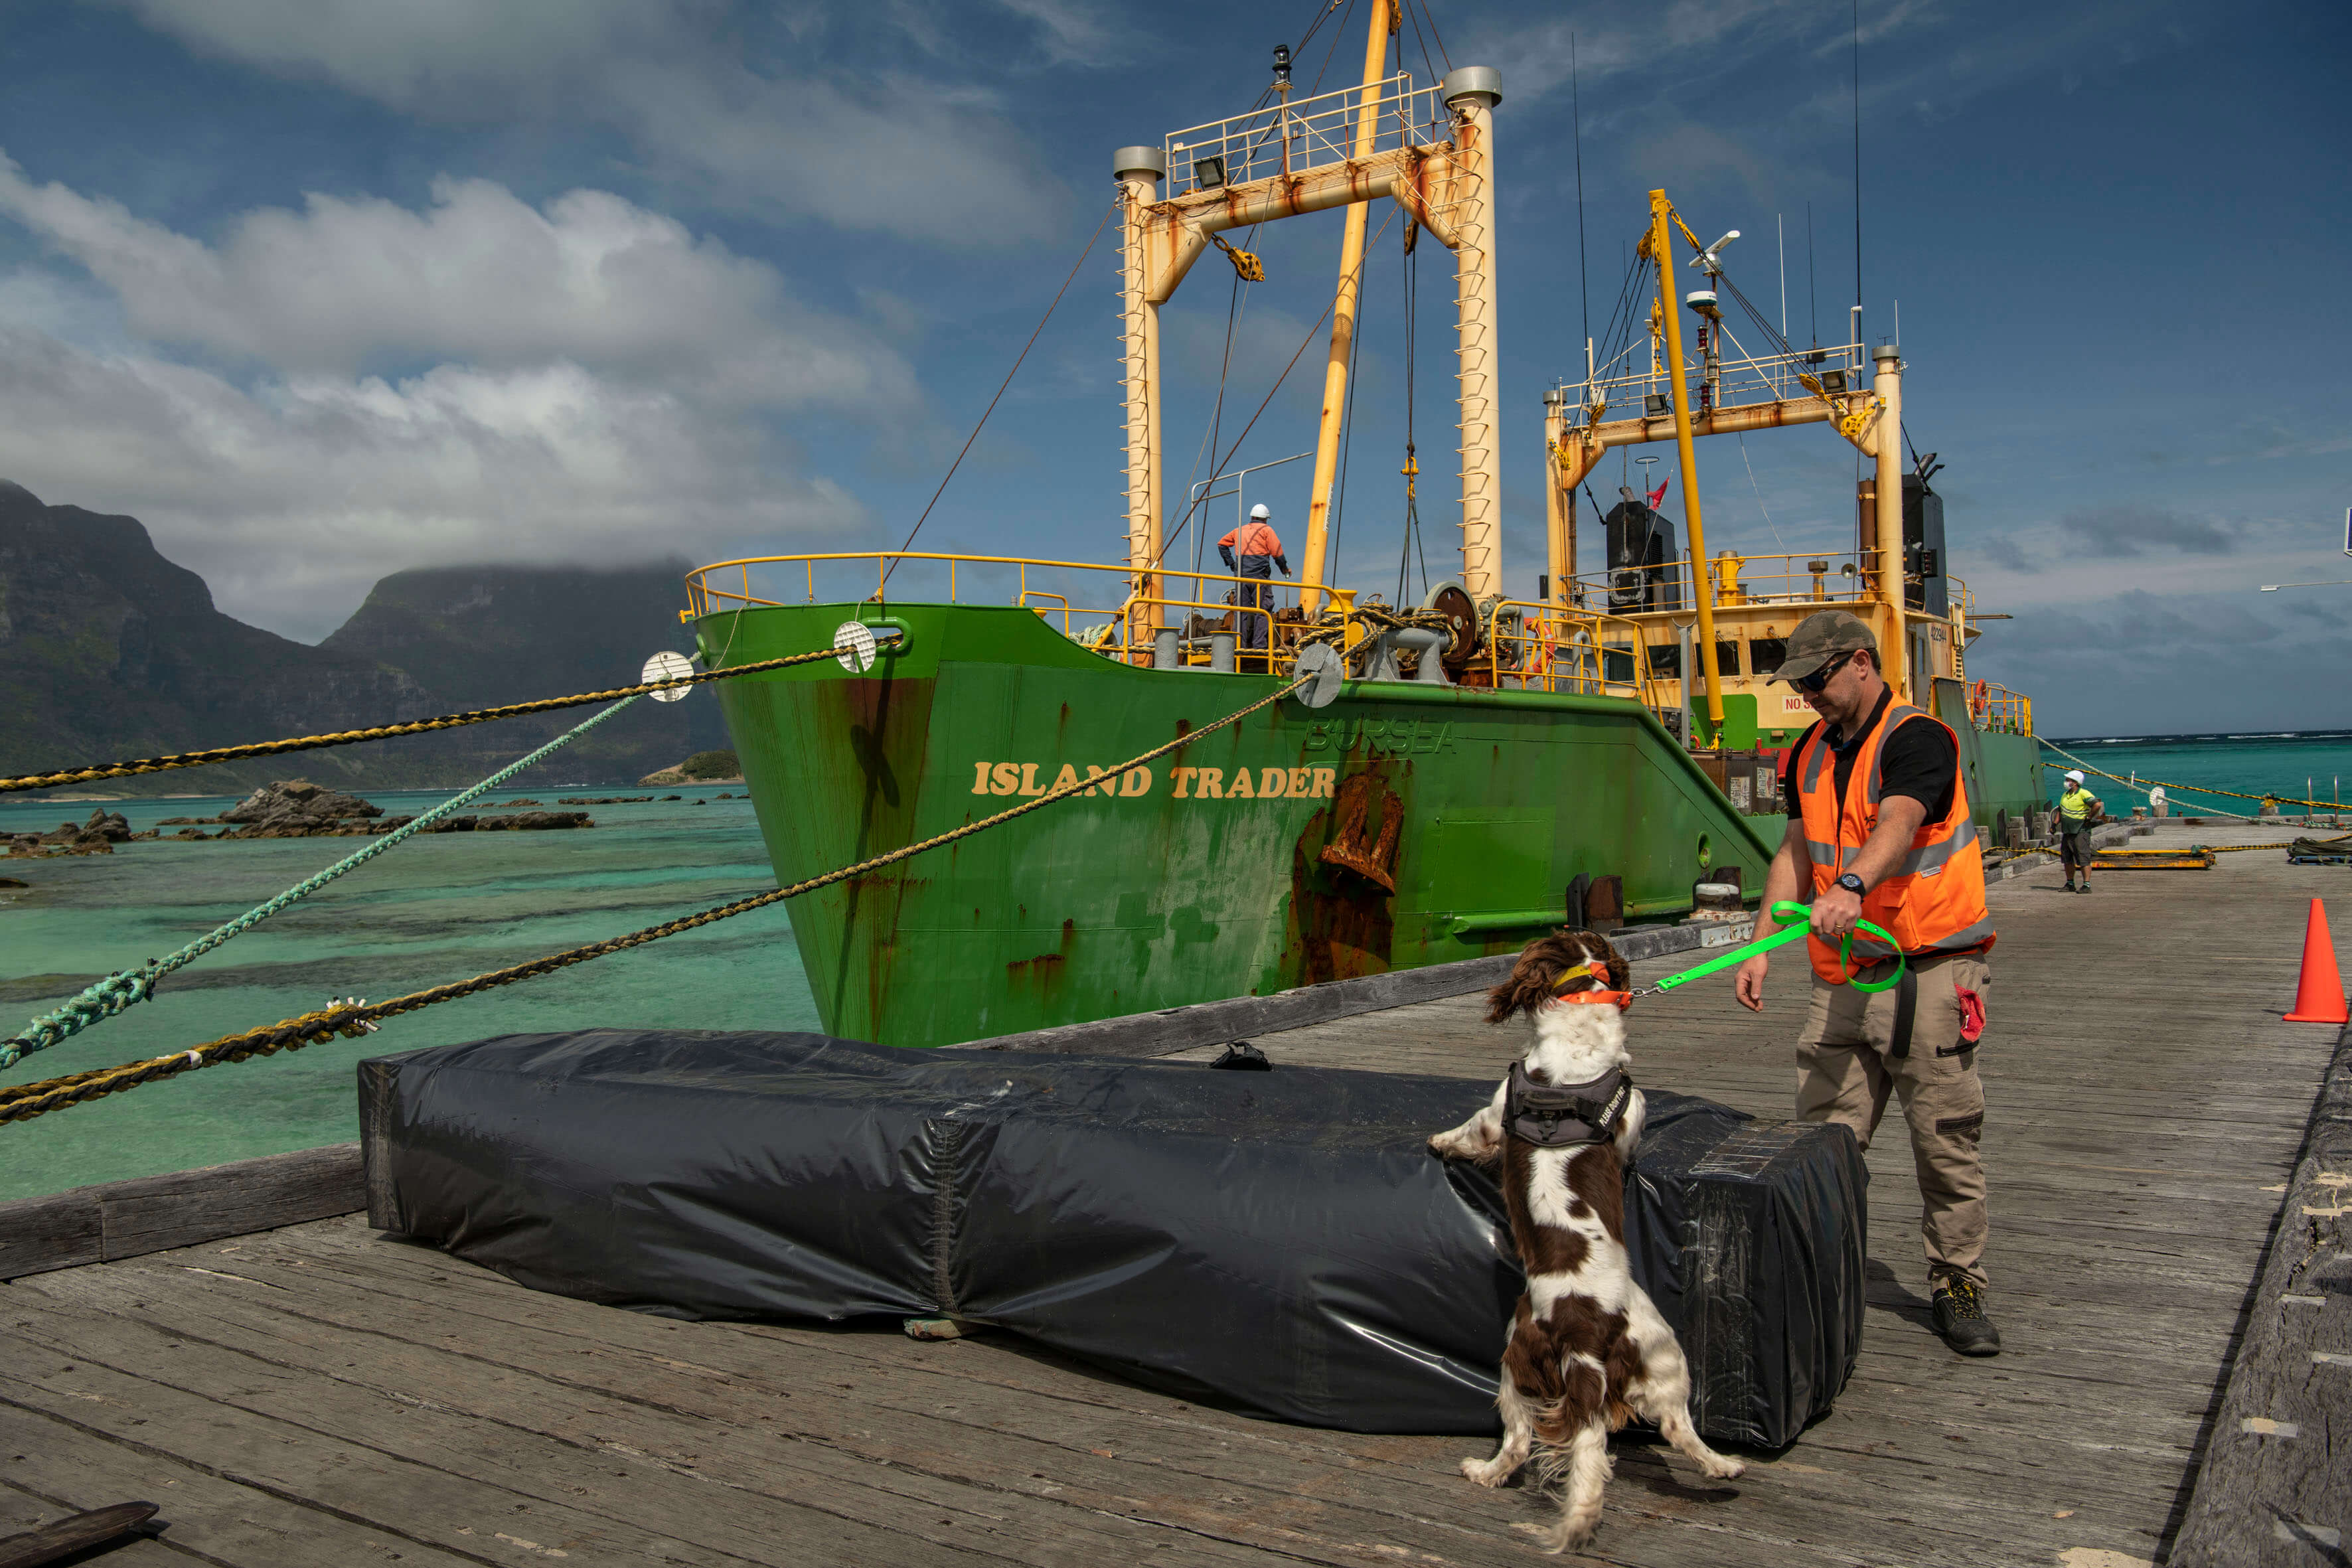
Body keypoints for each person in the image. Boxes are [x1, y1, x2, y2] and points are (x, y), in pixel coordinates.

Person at [1733, 609, 2001, 1356]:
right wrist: (1758, 947)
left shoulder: (1918, 738)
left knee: (1943, 1139)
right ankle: (1823, 1272)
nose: (1807, 696)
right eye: (1799, 683)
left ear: (1859, 663)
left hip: (1929, 974)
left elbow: (1903, 818)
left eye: (1816, 680)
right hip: (1840, 979)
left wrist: (1851, 882)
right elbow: (1792, 850)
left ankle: (1958, 1280)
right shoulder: (1807, 752)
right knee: (1820, 1141)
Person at [1217, 503, 1291, 655]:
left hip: (1241, 578)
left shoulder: (1239, 530)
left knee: (1241, 611)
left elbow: (1222, 544)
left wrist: (1232, 565)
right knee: (1263, 610)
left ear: (1252, 517)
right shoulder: (1266, 530)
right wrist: (1284, 569)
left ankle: (1239, 646)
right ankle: (1259, 647)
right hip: (1259, 579)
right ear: (1265, 519)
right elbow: (1277, 553)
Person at [2057, 771, 2104, 893]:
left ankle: (2086, 885)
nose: (2066, 782)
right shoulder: (2065, 795)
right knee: (2067, 858)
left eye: (2068, 780)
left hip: (2080, 831)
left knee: (2083, 858)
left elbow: (2097, 805)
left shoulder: (2084, 793)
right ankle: (2070, 883)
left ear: (2075, 783)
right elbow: (2060, 810)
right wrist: (2054, 824)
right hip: (2067, 831)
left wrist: (2089, 817)